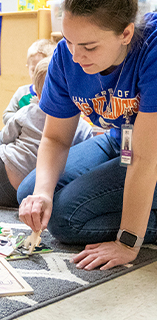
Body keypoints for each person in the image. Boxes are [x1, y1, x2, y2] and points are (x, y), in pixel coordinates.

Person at [18, 0, 157, 271]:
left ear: (125, 34)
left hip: (150, 153)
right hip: (121, 141)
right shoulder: (64, 57)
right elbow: (55, 139)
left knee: (66, 220)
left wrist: (128, 241)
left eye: (89, 47)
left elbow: (143, 158)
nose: (75, 56)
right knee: (32, 192)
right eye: (69, 41)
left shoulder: (151, 50)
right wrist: (42, 194)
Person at [0, 57, 93, 207]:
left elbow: (6, 137)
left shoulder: (29, 111)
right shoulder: (83, 127)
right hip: (28, 194)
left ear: (38, 95)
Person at [2, 39, 55, 125]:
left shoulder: (57, 94)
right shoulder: (21, 93)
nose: (37, 75)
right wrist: (25, 118)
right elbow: (6, 116)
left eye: (43, 71)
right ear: (28, 67)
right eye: (34, 70)